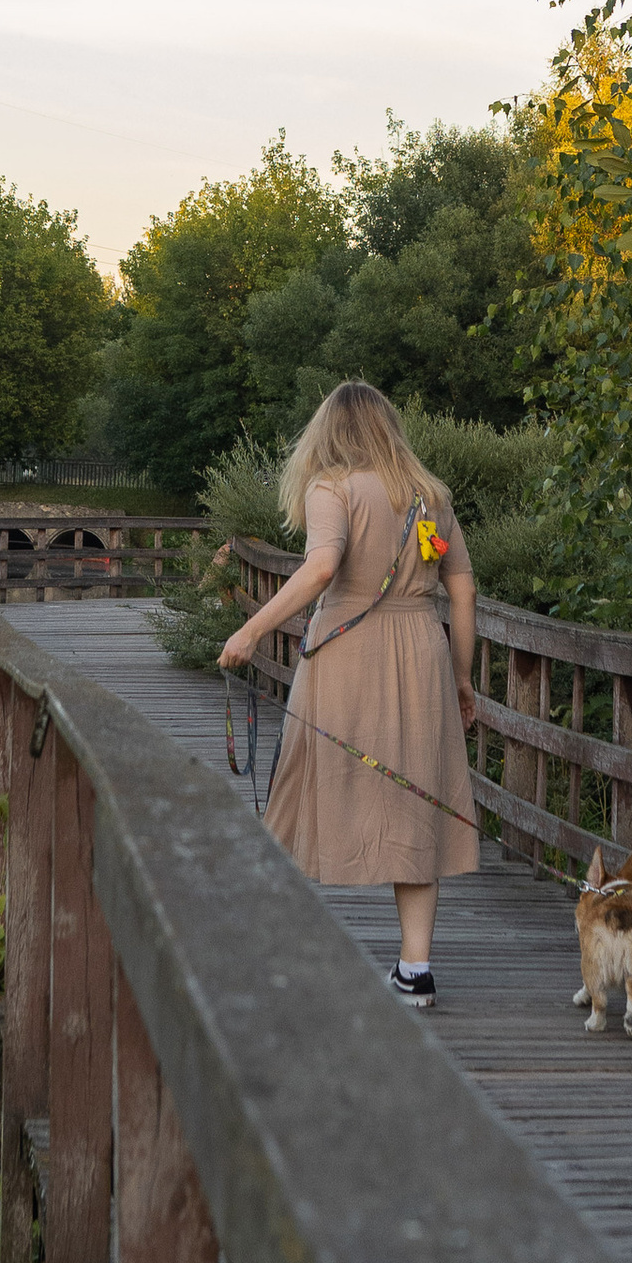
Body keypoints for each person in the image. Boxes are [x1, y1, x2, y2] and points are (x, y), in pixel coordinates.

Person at [216, 378, 479, 1009]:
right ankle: (416, 970)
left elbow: (323, 566)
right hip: (421, 653)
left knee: (300, 788)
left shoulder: (331, 488)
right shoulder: (429, 497)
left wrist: (252, 629)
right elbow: (463, 589)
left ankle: (278, 948)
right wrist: (464, 679)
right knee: (414, 801)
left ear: (328, 432)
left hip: (343, 657)